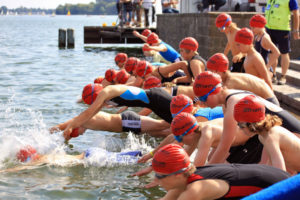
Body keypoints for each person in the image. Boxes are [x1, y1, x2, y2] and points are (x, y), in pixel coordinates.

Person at [193, 71, 300, 165]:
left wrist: (204, 174)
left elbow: (225, 146)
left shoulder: (233, 103)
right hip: (264, 131)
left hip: (290, 131)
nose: (202, 102)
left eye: (203, 98)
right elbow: (226, 144)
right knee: (217, 160)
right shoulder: (228, 100)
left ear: (214, 92)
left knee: (231, 166)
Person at [151, 144, 290, 200]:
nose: (156, 180)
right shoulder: (183, 179)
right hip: (270, 176)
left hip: (280, 188)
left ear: (177, 174)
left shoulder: (195, 189)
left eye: (159, 176)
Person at [234, 95, 300, 174]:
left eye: (241, 125)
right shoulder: (263, 136)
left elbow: (280, 173)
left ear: (251, 124)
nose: (239, 129)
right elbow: (269, 166)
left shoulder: (270, 137)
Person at [0, 145, 142, 173]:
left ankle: (145, 158)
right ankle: (139, 152)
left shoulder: (38, 162)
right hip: (89, 151)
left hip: (89, 157)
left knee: (134, 162)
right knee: (119, 156)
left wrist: (4, 172)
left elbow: (21, 168)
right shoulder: (45, 155)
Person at [206, 53, 280, 105]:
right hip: (267, 100)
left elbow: (225, 106)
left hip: (269, 102)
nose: (210, 76)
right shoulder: (231, 76)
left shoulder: (231, 83)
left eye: (211, 72)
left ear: (217, 70)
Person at [265, 0, 299, 85]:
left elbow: (296, 14)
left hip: (283, 30)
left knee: (284, 53)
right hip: (269, 29)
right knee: (272, 52)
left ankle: (283, 76)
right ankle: (274, 75)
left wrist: (296, 30)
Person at [249, 14, 280, 83]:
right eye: (251, 28)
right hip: (259, 68)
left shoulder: (265, 38)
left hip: (264, 69)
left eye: (253, 28)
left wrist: (267, 67)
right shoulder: (257, 36)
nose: (252, 30)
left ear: (260, 26)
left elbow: (277, 52)